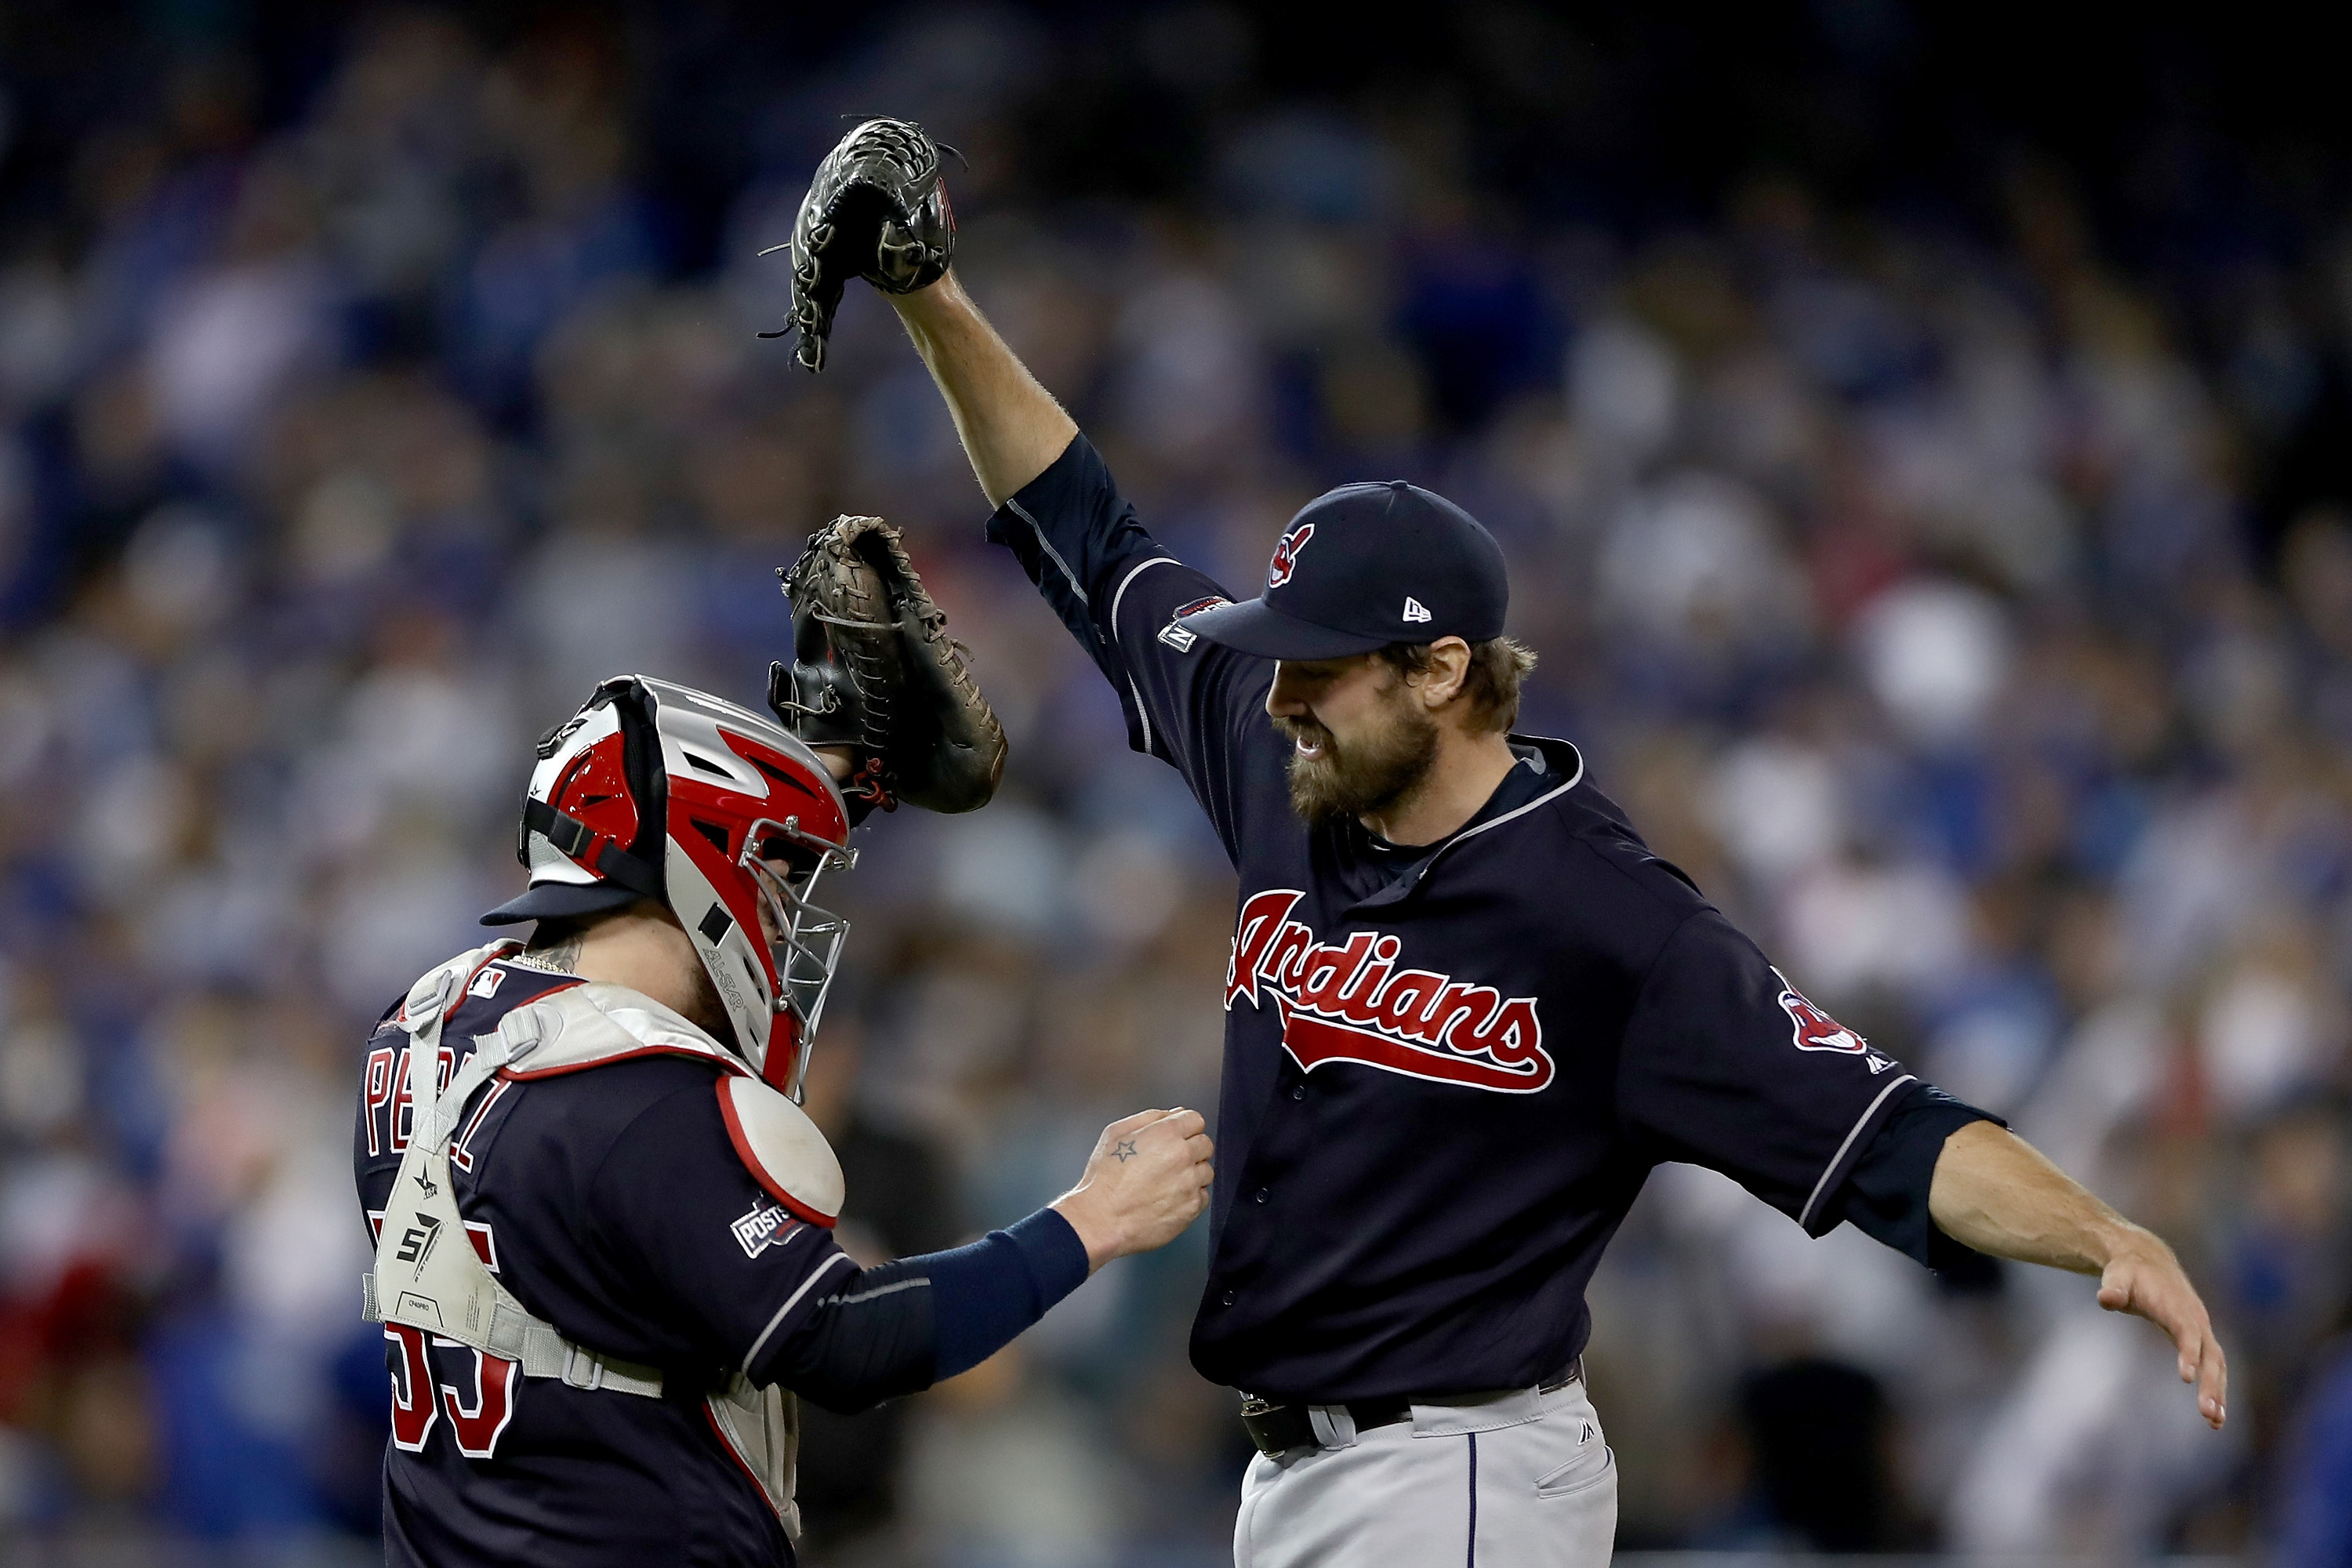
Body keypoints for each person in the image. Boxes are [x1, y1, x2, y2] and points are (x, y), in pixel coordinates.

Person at [777, 118, 2230, 1568]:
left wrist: (2105, 1235)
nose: (1277, 692)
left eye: (1322, 665)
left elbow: (1886, 1134)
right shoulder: (1288, 749)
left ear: (1442, 672)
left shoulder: (1608, 918)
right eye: (1276, 660)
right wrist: (930, 296)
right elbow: (1085, 526)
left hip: (1461, 1473)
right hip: (1302, 1476)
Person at [352, 673, 1213, 1566]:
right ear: (691, 858)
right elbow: (841, 1340)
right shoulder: (637, 1087)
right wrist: (1092, 1218)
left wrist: (828, 781)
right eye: (768, 870)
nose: (777, 905)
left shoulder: (423, 1023)